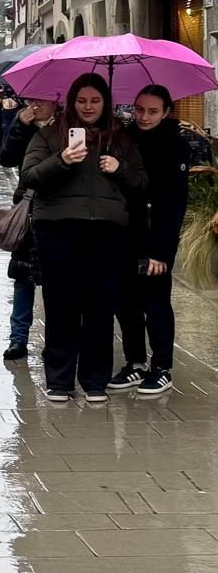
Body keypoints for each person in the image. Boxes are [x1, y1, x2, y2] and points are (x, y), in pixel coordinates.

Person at [19, 72, 147, 403]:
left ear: (105, 103)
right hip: (57, 229)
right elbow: (29, 176)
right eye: (82, 101)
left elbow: (140, 185)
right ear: (71, 102)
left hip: (106, 231)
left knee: (100, 306)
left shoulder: (120, 138)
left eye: (95, 101)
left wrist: (118, 168)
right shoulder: (50, 134)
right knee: (61, 304)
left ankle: (95, 380)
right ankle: (59, 380)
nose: (88, 107)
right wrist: (61, 160)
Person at [111, 85, 190, 398]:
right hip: (123, 234)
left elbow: (174, 203)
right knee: (126, 303)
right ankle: (135, 362)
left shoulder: (175, 145)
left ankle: (162, 368)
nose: (144, 116)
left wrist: (161, 251)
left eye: (153, 111)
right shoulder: (123, 138)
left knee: (155, 304)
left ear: (166, 111)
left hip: (153, 235)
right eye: (139, 109)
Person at [0, 96, 56, 360]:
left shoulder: (67, 127)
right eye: (32, 100)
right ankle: (18, 338)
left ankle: (54, 339)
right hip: (29, 209)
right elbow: (5, 158)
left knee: (56, 281)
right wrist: (18, 125)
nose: (36, 105)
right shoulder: (24, 125)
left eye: (42, 100)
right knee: (23, 277)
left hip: (58, 210)